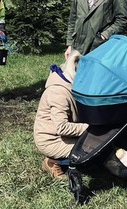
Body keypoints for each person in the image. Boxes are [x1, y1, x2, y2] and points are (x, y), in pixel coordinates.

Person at [33, 50, 88, 179]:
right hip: (51, 140)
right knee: (91, 151)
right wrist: (89, 128)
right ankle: (53, 162)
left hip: (62, 136)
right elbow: (62, 127)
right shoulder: (58, 93)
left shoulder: (68, 84)